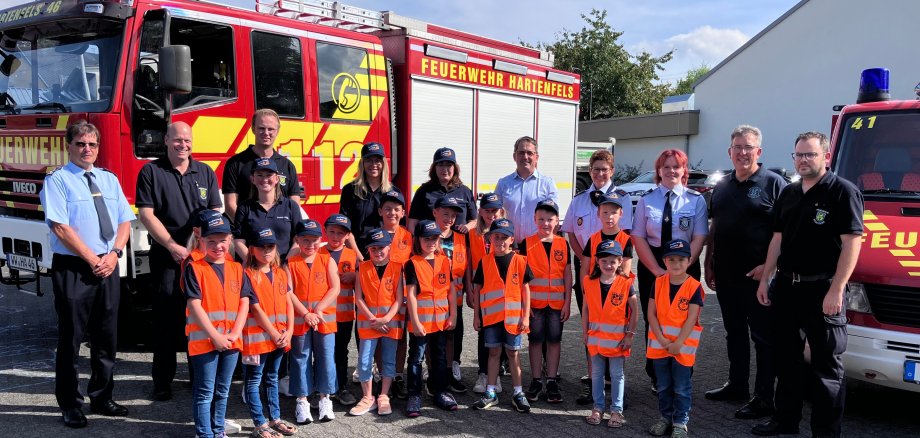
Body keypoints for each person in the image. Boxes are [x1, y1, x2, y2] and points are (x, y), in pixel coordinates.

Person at [751, 132, 862, 438]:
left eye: (810, 155)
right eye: (798, 155)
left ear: (825, 157)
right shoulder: (789, 193)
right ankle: (785, 421)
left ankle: (825, 432)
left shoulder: (843, 192)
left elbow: (852, 243)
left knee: (826, 368)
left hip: (822, 289)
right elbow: (778, 238)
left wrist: (837, 289)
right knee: (786, 360)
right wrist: (766, 277)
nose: (802, 160)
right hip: (787, 288)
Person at [40, 121, 135, 428]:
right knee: (71, 340)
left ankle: (102, 396)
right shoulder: (58, 180)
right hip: (75, 268)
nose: (87, 149)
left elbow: (124, 222)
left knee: (107, 337)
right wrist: (93, 258)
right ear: (69, 146)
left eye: (92, 145)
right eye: (81, 144)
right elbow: (60, 227)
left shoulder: (108, 179)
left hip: (108, 264)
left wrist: (115, 254)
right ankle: (70, 404)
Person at [704, 125, 786, 420]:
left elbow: (785, 231)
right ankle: (737, 385)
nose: (742, 152)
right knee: (734, 333)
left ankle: (764, 398)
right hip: (726, 275)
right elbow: (716, 227)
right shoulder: (722, 186)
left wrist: (769, 267)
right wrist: (708, 260)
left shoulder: (774, 184)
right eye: (737, 147)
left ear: (758, 151)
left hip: (759, 278)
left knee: (763, 338)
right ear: (730, 152)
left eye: (748, 147)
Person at [137, 121, 222, 402]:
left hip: (199, 259)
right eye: (177, 140)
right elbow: (147, 215)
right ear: (166, 140)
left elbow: (215, 210)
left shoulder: (205, 172)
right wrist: (173, 246)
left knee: (198, 319)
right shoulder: (151, 171)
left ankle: (198, 378)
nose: (183, 145)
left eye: (187, 140)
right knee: (166, 321)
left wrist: (200, 245)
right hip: (166, 257)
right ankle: (162, 382)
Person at [632, 149, 708, 391]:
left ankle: (683, 371)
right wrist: (657, 271)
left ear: (684, 170)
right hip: (653, 265)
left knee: (685, 320)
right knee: (654, 318)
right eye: (666, 166)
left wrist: (681, 270)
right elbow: (638, 236)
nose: (671, 171)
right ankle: (657, 375)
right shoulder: (647, 200)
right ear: (658, 171)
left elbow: (699, 236)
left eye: (676, 166)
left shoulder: (695, 200)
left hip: (685, 265)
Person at [561, 149, 630, 403]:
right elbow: (570, 233)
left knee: (615, 327)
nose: (600, 173)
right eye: (596, 169)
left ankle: (616, 383)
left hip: (615, 277)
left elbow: (628, 236)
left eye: (605, 169)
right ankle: (593, 381)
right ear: (589, 171)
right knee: (591, 326)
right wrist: (583, 259)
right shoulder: (579, 200)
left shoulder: (622, 198)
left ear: (612, 171)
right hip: (588, 274)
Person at [183, 211, 252, 438]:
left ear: (230, 240)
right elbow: (194, 305)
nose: (217, 245)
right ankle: (204, 433)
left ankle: (217, 429)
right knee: (204, 392)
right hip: (205, 341)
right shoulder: (194, 267)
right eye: (210, 241)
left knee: (222, 391)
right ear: (200, 240)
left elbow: (244, 303)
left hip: (232, 341)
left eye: (222, 240)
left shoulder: (237, 268)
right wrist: (215, 336)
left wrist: (234, 333)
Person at [471, 218, 533, 413]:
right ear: (490, 238)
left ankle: (518, 392)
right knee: (494, 353)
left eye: (504, 237)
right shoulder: (485, 261)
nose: (500, 241)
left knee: (513, 353)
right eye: (496, 237)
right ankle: (490, 392)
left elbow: (525, 290)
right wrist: (476, 316)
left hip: (513, 319)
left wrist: (525, 316)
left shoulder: (520, 261)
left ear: (511, 239)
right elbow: (478, 289)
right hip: (491, 319)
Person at [241, 228, 298, 438]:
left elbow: (289, 303)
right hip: (257, 340)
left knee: (272, 378)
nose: (266, 250)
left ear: (276, 249)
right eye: (261, 246)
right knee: (254, 381)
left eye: (270, 246)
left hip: (279, 338)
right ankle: (259, 423)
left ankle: (275, 419)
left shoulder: (281, 273)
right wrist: (274, 332)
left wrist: (290, 330)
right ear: (252, 249)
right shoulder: (246, 274)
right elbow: (255, 308)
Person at [646, 239, 705, 438]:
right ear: (664, 261)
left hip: (682, 348)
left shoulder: (694, 286)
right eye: (671, 259)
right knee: (663, 385)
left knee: (681, 387)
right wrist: (663, 341)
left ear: (689, 261)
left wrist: (678, 343)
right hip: (660, 346)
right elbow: (651, 314)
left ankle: (680, 422)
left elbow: (691, 318)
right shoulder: (658, 282)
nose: (676, 263)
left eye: (681, 259)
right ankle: (665, 417)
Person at [287, 219, 341, 424]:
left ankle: (325, 398)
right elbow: (288, 291)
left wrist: (318, 309)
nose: (310, 244)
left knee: (326, 357)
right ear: (297, 240)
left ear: (321, 240)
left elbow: (334, 287)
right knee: (301, 358)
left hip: (324, 319)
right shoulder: (290, 263)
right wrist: (305, 313)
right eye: (305, 240)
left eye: (315, 240)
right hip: (301, 320)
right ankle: (302, 400)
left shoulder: (327, 260)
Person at [518, 199, 571, 403]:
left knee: (554, 341)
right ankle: (536, 380)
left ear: (557, 221)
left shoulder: (562, 244)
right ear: (534, 219)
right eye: (541, 219)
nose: (545, 223)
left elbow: (567, 274)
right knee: (535, 341)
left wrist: (567, 302)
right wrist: (525, 305)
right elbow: (522, 277)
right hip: (535, 306)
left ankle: (551, 380)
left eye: (550, 219)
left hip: (557, 304)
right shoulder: (526, 243)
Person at [404, 220, 459, 416]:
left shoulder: (445, 260)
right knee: (416, 358)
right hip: (421, 322)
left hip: (441, 321)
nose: (431, 242)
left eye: (435, 238)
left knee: (440, 358)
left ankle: (440, 391)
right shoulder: (412, 264)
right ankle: (414, 395)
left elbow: (451, 289)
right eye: (426, 238)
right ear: (418, 240)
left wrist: (453, 314)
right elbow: (410, 294)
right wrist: (416, 322)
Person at [582, 240, 638, 428]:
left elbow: (634, 311)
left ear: (620, 261)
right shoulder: (588, 282)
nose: (608, 265)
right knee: (596, 375)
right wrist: (584, 333)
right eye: (604, 261)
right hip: (596, 340)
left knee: (617, 375)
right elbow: (586, 309)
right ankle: (598, 408)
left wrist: (630, 334)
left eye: (613, 261)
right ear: (597, 261)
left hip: (617, 341)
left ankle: (616, 410)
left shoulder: (625, 283)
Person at [349, 229, 405, 416]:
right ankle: (367, 397)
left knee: (388, 361)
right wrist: (374, 320)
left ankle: (383, 395)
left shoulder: (398, 268)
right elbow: (359, 298)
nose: (377, 252)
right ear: (368, 250)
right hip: (369, 324)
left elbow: (399, 298)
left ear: (389, 248)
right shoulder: (362, 267)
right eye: (373, 249)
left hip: (390, 323)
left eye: (381, 248)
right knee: (365, 361)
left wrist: (386, 318)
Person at [223, 109, 300, 222]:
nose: (266, 133)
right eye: (261, 128)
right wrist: (250, 229)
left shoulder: (287, 166)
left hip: (280, 235)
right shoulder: (235, 163)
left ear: (277, 131)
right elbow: (230, 205)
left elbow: (294, 205)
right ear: (253, 129)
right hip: (249, 235)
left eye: (271, 129)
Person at [431, 195, 472, 393]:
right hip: (432, 299)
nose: (449, 218)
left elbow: (467, 270)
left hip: (454, 299)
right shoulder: (428, 237)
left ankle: (448, 373)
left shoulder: (462, 239)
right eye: (445, 214)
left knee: (451, 336)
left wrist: (470, 293)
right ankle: (432, 374)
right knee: (433, 337)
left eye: (453, 216)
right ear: (435, 213)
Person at [468, 193, 508, 395]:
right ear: (480, 211)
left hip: (501, 296)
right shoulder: (473, 235)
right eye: (487, 210)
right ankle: (483, 373)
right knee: (483, 334)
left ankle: (496, 374)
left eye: (495, 210)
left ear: (501, 211)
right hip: (481, 293)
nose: (491, 214)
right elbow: (469, 265)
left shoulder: (505, 233)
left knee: (499, 335)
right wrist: (469, 290)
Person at [319, 214, 359, 407]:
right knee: (321, 352)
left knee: (341, 351)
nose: (335, 236)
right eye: (332, 232)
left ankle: (341, 386)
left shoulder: (353, 256)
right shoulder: (317, 253)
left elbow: (366, 278)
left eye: (340, 233)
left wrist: (355, 276)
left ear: (347, 235)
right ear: (325, 231)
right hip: (323, 315)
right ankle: (321, 387)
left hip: (343, 315)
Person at [377, 189, 412, 399]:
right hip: (379, 297)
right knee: (381, 337)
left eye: (396, 209)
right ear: (380, 211)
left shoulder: (408, 237)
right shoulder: (373, 235)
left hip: (402, 297)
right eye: (387, 209)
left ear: (403, 212)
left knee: (400, 337)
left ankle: (398, 375)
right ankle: (382, 374)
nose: (392, 213)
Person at [233, 158, 303, 263]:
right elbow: (238, 242)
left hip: (284, 268)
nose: (264, 179)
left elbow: (298, 240)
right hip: (255, 270)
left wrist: (285, 265)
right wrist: (255, 264)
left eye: (269, 175)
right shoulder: (244, 207)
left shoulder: (291, 206)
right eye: (259, 175)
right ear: (252, 179)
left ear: (277, 179)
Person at [340, 142, 402, 256]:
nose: (373, 164)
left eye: (377, 160)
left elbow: (397, 227)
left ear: (383, 163)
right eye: (369, 160)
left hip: (385, 253)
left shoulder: (393, 192)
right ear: (362, 163)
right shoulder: (350, 190)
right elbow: (345, 228)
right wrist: (358, 256)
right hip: (358, 252)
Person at [494, 136, 559, 241]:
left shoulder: (547, 184)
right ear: (514, 156)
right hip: (510, 248)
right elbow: (495, 216)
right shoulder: (503, 183)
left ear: (536, 157)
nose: (525, 157)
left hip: (537, 246)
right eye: (521, 153)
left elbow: (554, 220)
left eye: (530, 153)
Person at [407, 147, 477, 232]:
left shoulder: (465, 191)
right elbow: (412, 223)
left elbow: (474, 221)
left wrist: (467, 227)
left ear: (454, 168)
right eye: (440, 164)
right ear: (434, 168)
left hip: (459, 244)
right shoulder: (424, 191)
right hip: (431, 244)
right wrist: (420, 241)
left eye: (448, 165)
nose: (444, 169)